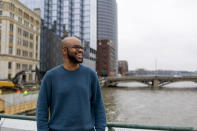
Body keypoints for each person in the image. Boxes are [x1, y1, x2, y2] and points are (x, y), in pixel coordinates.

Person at [36, 37, 106, 131]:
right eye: (76, 47)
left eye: (81, 48)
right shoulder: (50, 76)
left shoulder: (91, 74)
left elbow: (99, 106)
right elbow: (42, 109)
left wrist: (100, 129)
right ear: (64, 50)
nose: (80, 50)